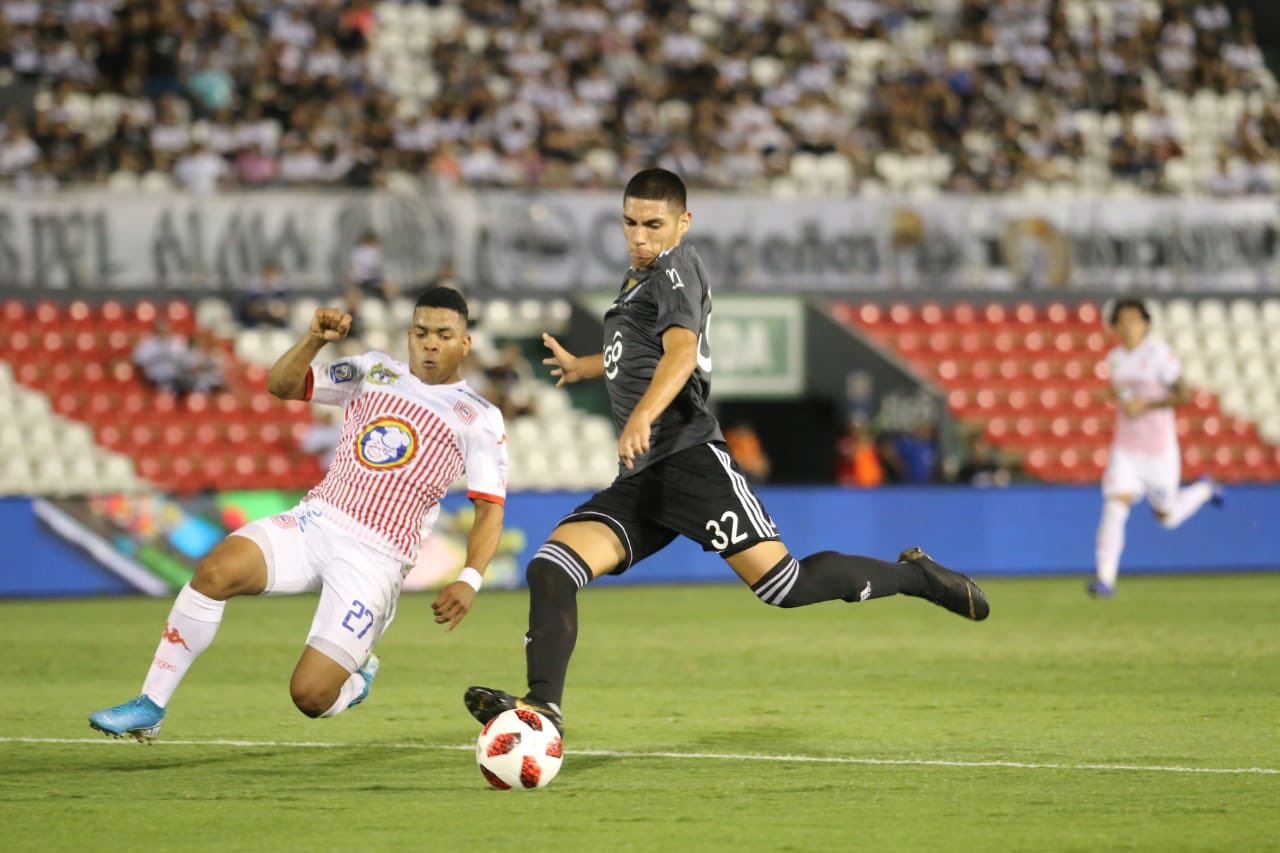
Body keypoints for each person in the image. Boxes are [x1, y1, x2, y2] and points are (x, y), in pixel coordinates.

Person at [463, 169, 989, 736]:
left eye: (654, 225)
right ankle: (543, 709)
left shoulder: (676, 266)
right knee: (552, 566)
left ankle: (914, 577)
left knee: (784, 586)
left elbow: (681, 353)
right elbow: (635, 353)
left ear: (683, 224)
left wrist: (642, 414)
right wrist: (585, 366)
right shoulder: (639, 279)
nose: (640, 236)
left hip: (690, 460)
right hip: (643, 476)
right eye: (630, 223)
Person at [89, 287, 508, 741]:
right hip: (318, 520)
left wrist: (469, 579)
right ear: (408, 334)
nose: (430, 343)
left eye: (444, 335)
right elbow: (283, 385)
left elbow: (489, 509)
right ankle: (150, 704)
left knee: (310, 695)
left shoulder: (478, 418)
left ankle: (355, 678)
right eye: (422, 332)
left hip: (377, 558)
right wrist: (314, 341)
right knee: (214, 572)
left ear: (464, 344)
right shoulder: (373, 370)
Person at [1090, 298, 1223, 598]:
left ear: (1146, 324)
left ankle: (1204, 489)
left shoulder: (1159, 355)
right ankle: (1105, 580)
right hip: (1125, 448)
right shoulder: (1114, 359)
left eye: (1134, 320)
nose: (1128, 326)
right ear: (1114, 326)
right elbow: (1123, 392)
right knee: (1114, 505)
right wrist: (1112, 395)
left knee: (1166, 517)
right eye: (1122, 320)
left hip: (1158, 450)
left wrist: (1147, 404)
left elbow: (1184, 394)